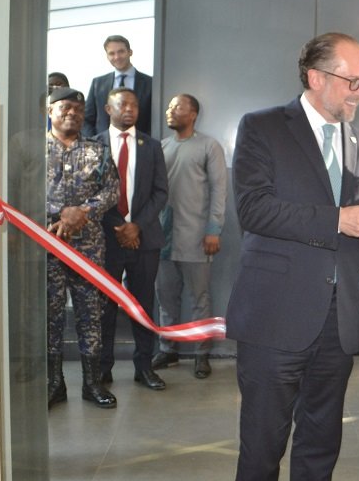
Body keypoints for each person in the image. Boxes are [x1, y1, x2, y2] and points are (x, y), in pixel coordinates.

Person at [226, 32, 359, 480]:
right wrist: (336, 218)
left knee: (321, 444)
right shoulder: (263, 128)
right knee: (262, 446)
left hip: (340, 322)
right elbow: (254, 210)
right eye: (351, 80)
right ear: (315, 77)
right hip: (274, 315)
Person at [45, 87, 120, 409]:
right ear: (50, 111)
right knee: (50, 315)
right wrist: (61, 212)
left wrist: (82, 212)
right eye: (64, 107)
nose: (72, 113)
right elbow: (17, 189)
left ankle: (92, 384)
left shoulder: (98, 149)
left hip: (88, 248)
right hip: (45, 244)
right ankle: (54, 383)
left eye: (78, 108)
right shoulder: (32, 150)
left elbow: (112, 190)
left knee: (91, 314)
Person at [96, 87, 169, 391]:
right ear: (107, 109)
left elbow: (160, 192)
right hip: (107, 239)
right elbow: (90, 193)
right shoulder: (94, 145)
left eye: (135, 105)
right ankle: (102, 369)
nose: (130, 109)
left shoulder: (151, 146)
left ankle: (144, 367)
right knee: (104, 306)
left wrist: (136, 225)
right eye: (123, 104)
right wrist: (119, 227)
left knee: (142, 305)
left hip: (145, 239)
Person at [151, 94, 227, 379]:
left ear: (193, 113)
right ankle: (168, 349)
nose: (170, 111)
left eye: (177, 107)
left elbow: (220, 191)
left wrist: (213, 230)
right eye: (169, 106)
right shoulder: (162, 147)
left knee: (199, 298)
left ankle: (200, 353)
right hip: (163, 238)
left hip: (197, 237)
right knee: (166, 297)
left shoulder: (209, 146)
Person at [83, 35, 152, 137]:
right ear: (107, 56)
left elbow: (153, 118)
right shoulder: (97, 83)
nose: (117, 57)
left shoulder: (150, 83)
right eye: (112, 53)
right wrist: (93, 141)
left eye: (121, 51)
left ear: (130, 52)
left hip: (139, 144)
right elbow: (87, 119)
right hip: (103, 147)